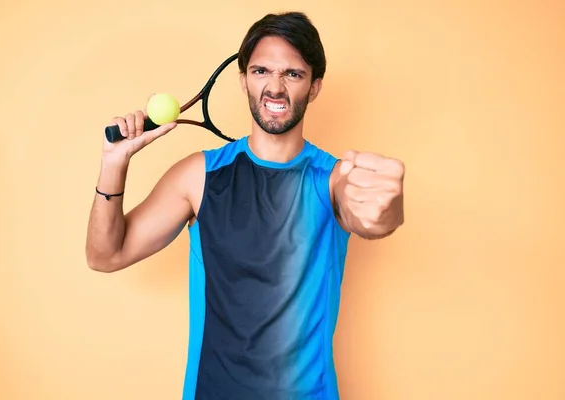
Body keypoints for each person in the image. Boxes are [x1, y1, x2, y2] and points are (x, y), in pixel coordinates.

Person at [86, 11, 405, 400]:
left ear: (315, 86)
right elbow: (105, 255)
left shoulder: (333, 178)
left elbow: (371, 219)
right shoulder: (198, 176)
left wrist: (387, 212)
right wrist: (113, 164)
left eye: (292, 74)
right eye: (261, 71)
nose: (275, 87)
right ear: (243, 80)